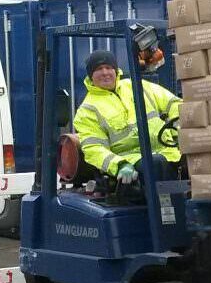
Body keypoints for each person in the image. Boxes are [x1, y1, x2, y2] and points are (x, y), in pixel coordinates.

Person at [73, 49, 182, 185]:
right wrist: (120, 165)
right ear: (91, 76)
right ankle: (169, 206)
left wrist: (177, 132)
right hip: (131, 162)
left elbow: (174, 103)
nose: (105, 73)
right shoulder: (87, 110)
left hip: (168, 152)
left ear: (116, 70)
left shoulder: (137, 86)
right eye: (99, 69)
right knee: (156, 164)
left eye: (108, 67)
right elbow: (94, 149)